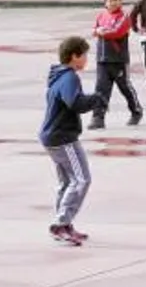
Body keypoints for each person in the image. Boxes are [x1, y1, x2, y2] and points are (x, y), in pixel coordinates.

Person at [41, 36, 103, 246]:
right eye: (84, 55)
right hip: (63, 138)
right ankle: (60, 224)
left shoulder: (59, 75)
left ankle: (64, 224)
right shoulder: (69, 77)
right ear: (74, 56)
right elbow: (75, 103)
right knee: (82, 179)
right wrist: (96, 99)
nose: (86, 59)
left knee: (67, 182)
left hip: (53, 136)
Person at [90, 0, 144, 128]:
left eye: (115, 0)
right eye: (110, 0)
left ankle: (136, 111)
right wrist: (97, 31)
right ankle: (98, 118)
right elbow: (94, 30)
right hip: (102, 60)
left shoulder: (124, 17)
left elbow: (117, 32)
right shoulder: (101, 16)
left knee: (125, 87)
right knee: (100, 89)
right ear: (105, 3)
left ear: (120, 1)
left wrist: (101, 32)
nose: (113, 2)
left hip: (118, 60)